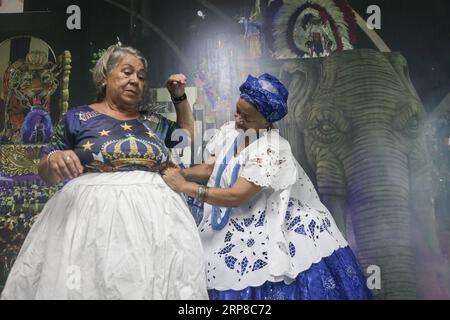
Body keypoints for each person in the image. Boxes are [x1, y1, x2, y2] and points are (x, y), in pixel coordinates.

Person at [1, 45, 208, 300]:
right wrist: (54, 159)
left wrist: (179, 97)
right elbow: (45, 170)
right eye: (127, 72)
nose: (135, 80)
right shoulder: (77, 117)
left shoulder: (151, 122)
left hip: (157, 228)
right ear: (104, 77)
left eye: (141, 76)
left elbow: (186, 138)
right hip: (91, 228)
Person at [162, 73, 373, 300]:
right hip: (228, 220)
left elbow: (236, 196)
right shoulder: (233, 132)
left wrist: (183, 186)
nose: (238, 120)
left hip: (266, 224)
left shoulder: (273, 149)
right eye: (237, 111)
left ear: (266, 120)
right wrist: (181, 173)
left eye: (247, 117)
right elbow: (213, 167)